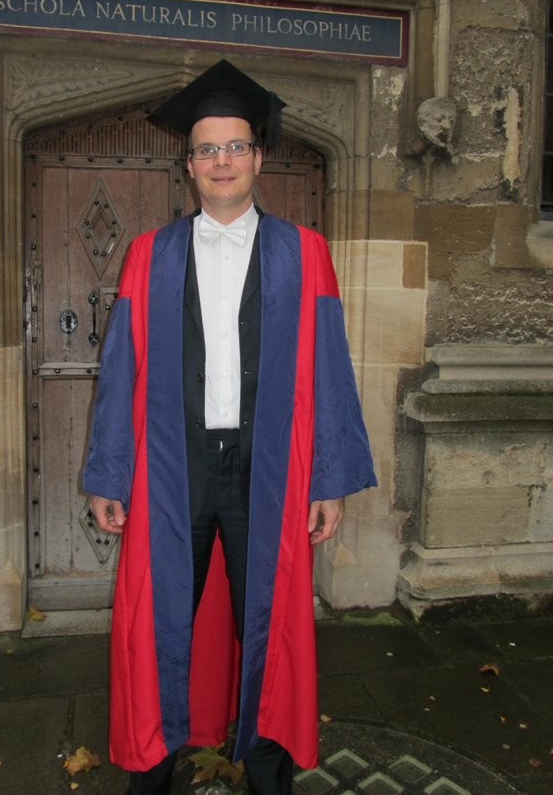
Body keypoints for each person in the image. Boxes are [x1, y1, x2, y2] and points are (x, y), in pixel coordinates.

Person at [83, 59, 377, 795]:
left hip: (266, 470)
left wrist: (329, 481)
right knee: (161, 621)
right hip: (172, 468)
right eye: (207, 149)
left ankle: (268, 776)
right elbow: (121, 373)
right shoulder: (150, 255)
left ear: (257, 157)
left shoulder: (303, 252)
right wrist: (109, 474)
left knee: (268, 626)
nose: (222, 161)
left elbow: (329, 369)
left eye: (236, 146)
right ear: (189, 164)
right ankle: (152, 771)